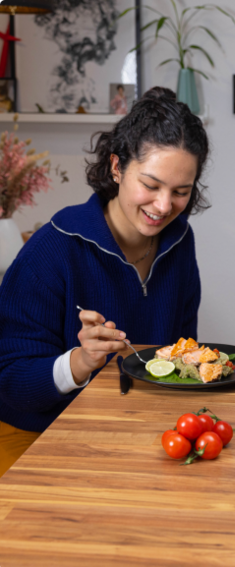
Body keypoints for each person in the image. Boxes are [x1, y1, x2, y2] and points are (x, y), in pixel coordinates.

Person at [0, 86, 210, 476]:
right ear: (116, 168)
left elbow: (182, 352)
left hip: (133, 433)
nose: (164, 206)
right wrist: (79, 363)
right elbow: (9, 381)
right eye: (150, 185)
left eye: (181, 192)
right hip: (38, 438)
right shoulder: (54, 247)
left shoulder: (181, 240)